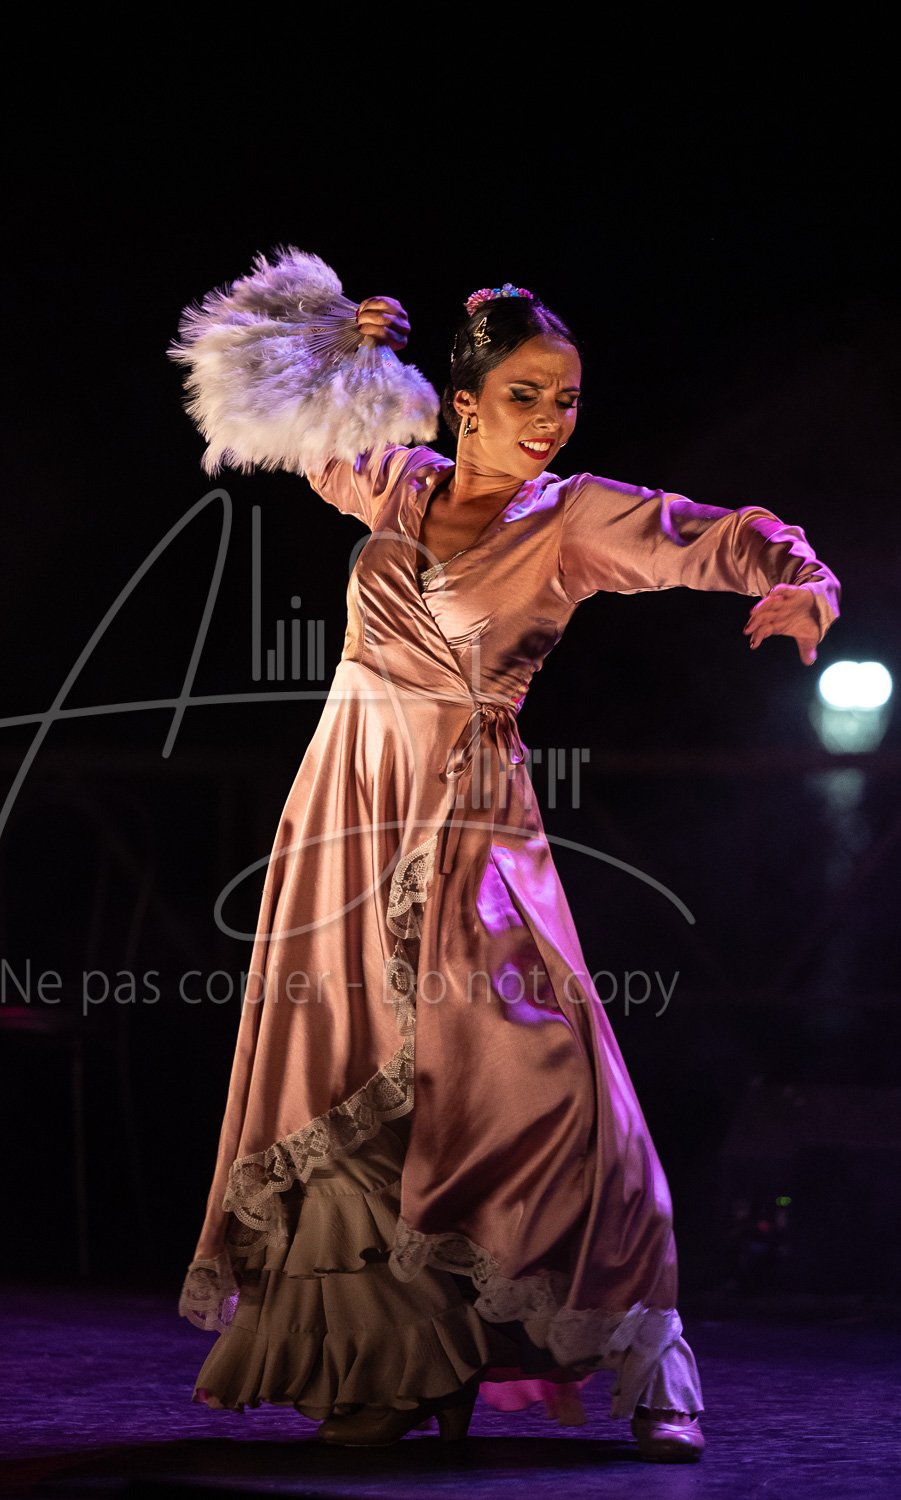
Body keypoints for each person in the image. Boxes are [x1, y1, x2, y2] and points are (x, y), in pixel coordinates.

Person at [177, 281, 841, 1462]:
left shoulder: (570, 518)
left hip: (468, 815)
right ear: (465, 402)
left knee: (534, 1075)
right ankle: (403, 1366)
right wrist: (337, 344)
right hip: (347, 808)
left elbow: (703, 533)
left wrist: (796, 577)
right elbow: (273, 413)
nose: (550, 419)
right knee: (361, 1079)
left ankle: (647, 1352)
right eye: (526, 395)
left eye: (567, 400)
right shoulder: (394, 480)